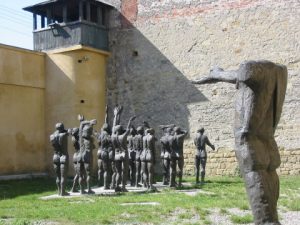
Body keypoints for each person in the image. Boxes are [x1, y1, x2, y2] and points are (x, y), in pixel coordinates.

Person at [192, 60, 287, 224]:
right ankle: (272, 219)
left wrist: (216, 74)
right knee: (270, 171)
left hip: (248, 136)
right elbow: (240, 75)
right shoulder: (280, 72)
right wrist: (220, 74)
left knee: (255, 173)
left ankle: (266, 221)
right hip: (267, 137)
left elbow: (245, 73)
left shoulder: (249, 70)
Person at [111, 105, 136, 192]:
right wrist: (130, 121)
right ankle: (123, 187)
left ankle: (117, 185)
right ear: (121, 130)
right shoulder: (123, 136)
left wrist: (116, 115)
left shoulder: (113, 136)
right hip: (123, 153)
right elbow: (128, 129)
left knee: (118, 172)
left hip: (116, 154)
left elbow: (114, 127)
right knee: (124, 171)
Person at [78, 115, 97, 194]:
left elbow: (81, 127)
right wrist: (91, 124)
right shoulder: (90, 140)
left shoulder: (81, 139)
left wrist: (83, 121)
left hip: (80, 156)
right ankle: (89, 189)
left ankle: (82, 190)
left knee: (81, 174)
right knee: (89, 173)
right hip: (87, 156)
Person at [50, 123, 69, 196]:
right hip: (63, 156)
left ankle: (59, 191)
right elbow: (67, 132)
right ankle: (63, 192)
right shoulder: (64, 135)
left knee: (58, 176)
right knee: (63, 176)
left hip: (55, 156)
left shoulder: (51, 136)